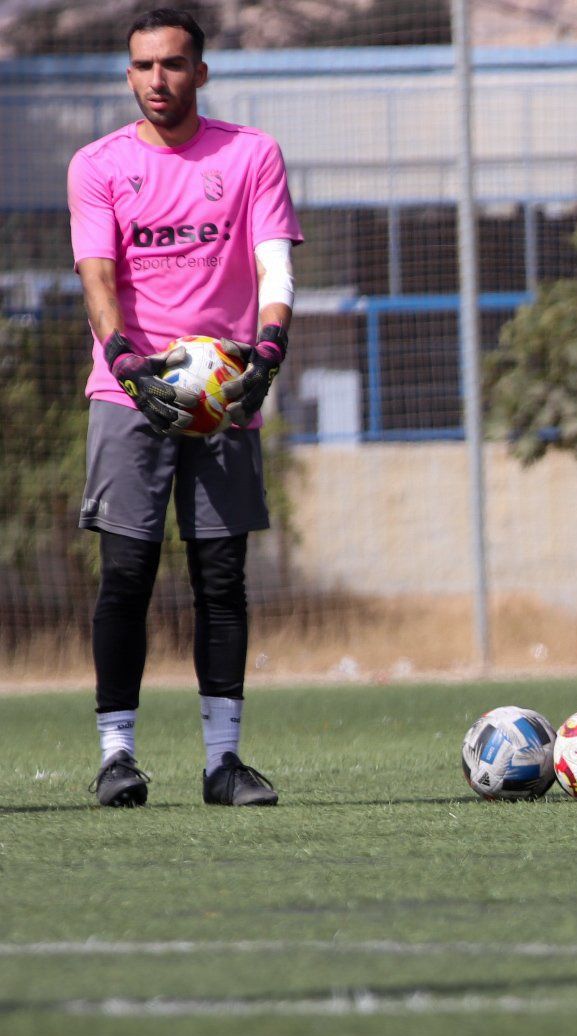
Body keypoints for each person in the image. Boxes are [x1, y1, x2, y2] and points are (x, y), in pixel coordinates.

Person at [68, 8, 302, 807]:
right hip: (129, 391)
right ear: (128, 73)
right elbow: (98, 277)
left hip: (226, 393)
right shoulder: (97, 165)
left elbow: (274, 265)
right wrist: (126, 360)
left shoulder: (250, 154)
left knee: (222, 577)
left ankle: (224, 762)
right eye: (142, 67)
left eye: (172, 65)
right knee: (126, 574)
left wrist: (268, 349)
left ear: (201, 71)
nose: (156, 81)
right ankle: (116, 757)